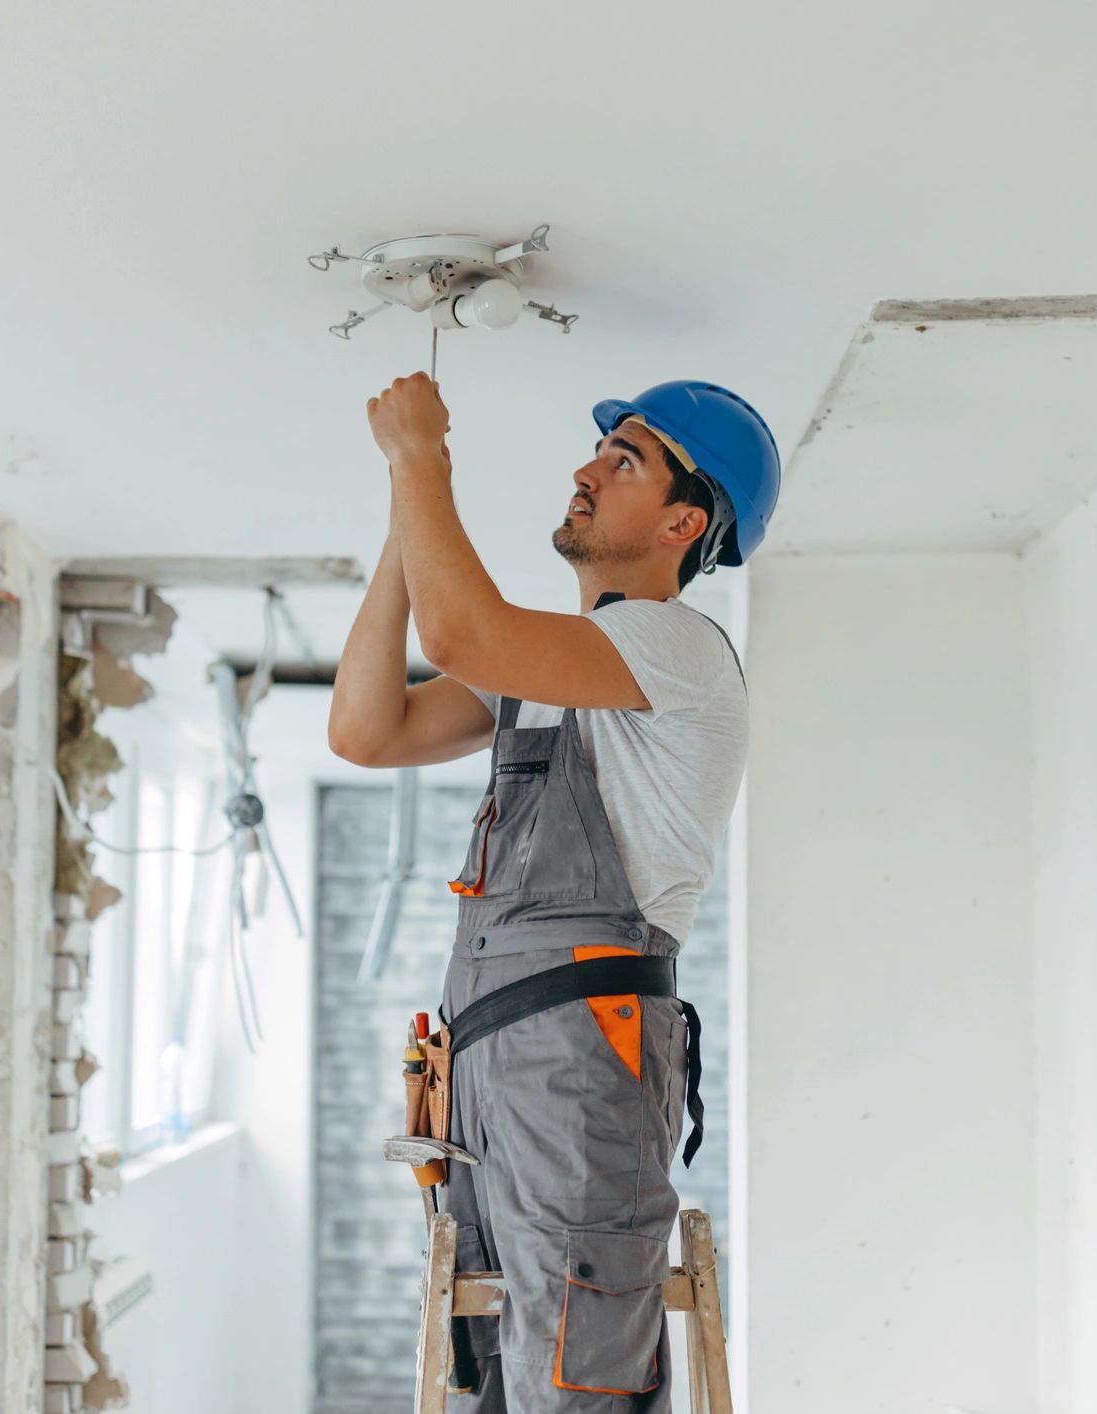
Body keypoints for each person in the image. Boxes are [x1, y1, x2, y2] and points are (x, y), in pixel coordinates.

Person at [330, 371, 780, 1411]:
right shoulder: (547, 672)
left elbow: (458, 633)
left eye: (622, 460)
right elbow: (366, 729)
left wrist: (421, 461)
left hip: (585, 1056)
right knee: (500, 1370)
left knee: (574, 1378)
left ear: (683, 519)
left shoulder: (673, 647)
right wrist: (408, 519)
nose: (585, 470)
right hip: (498, 1060)